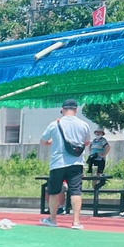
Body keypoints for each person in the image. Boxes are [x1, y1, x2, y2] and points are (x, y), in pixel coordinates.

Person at [39, 98, 90, 230]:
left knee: (54, 191)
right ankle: (76, 222)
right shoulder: (83, 124)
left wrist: (52, 142)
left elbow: (43, 141)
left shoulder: (55, 124)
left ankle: (53, 219)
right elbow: (86, 142)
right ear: (76, 110)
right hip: (76, 163)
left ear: (62, 110)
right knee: (76, 192)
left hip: (58, 163)